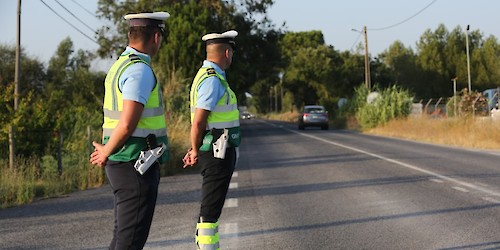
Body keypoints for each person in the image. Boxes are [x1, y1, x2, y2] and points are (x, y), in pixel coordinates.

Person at [89, 11, 170, 250]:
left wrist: (108, 151)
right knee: (130, 240)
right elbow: (127, 123)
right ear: (156, 37)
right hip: (134, 163)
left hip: (124, 162)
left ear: (130, 35)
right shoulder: (139, 70)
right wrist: (106, 152)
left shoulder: (119, 65)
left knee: (123, 237)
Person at [183, 30, 241, 250]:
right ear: (227, 52)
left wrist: (195, 147)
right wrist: (195, 149)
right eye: (231, 53)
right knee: (210, 211)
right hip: (217, 151)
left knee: (212, 208)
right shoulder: (212, 80)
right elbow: (199, 121)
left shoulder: (207, 76)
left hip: (217, 148)